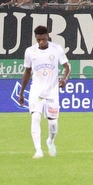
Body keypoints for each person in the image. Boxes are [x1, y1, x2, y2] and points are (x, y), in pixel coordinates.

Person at [18, 25, 70, 158]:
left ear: (48, 36)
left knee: (53, 123)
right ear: (36, 38)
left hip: (52, 92)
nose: (41, 42)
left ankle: (50, 141)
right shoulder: (30, 51)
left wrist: (64, 79)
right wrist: (22, 92)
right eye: (39, 39)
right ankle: (38, 150)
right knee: (35, 117)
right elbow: (27, 72)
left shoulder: (56, 49)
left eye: (43, 39)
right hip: (36, 91)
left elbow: (67, 66)